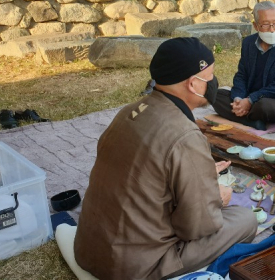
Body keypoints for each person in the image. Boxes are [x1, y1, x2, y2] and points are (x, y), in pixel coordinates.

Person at [74, 38, 258, 279]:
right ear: (193, 84)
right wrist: (217, 197)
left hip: (88, 249)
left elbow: (144, 174)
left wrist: (200, 176)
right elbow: (196, 226)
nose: (213, 82)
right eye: (210, 76)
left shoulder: (128, 111)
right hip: (133, 267)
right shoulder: (185, 136)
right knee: (245, 219)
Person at [213, 1, 275, 130]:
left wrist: (250, 100)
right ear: (256, 26)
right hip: (250, 95)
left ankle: (246, 116)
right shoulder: (248, 43)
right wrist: (238, 98)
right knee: (215, 95)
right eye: (266, 25)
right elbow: (242, 75)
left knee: (265, 107)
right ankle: (252, 121)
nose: (272, 29)